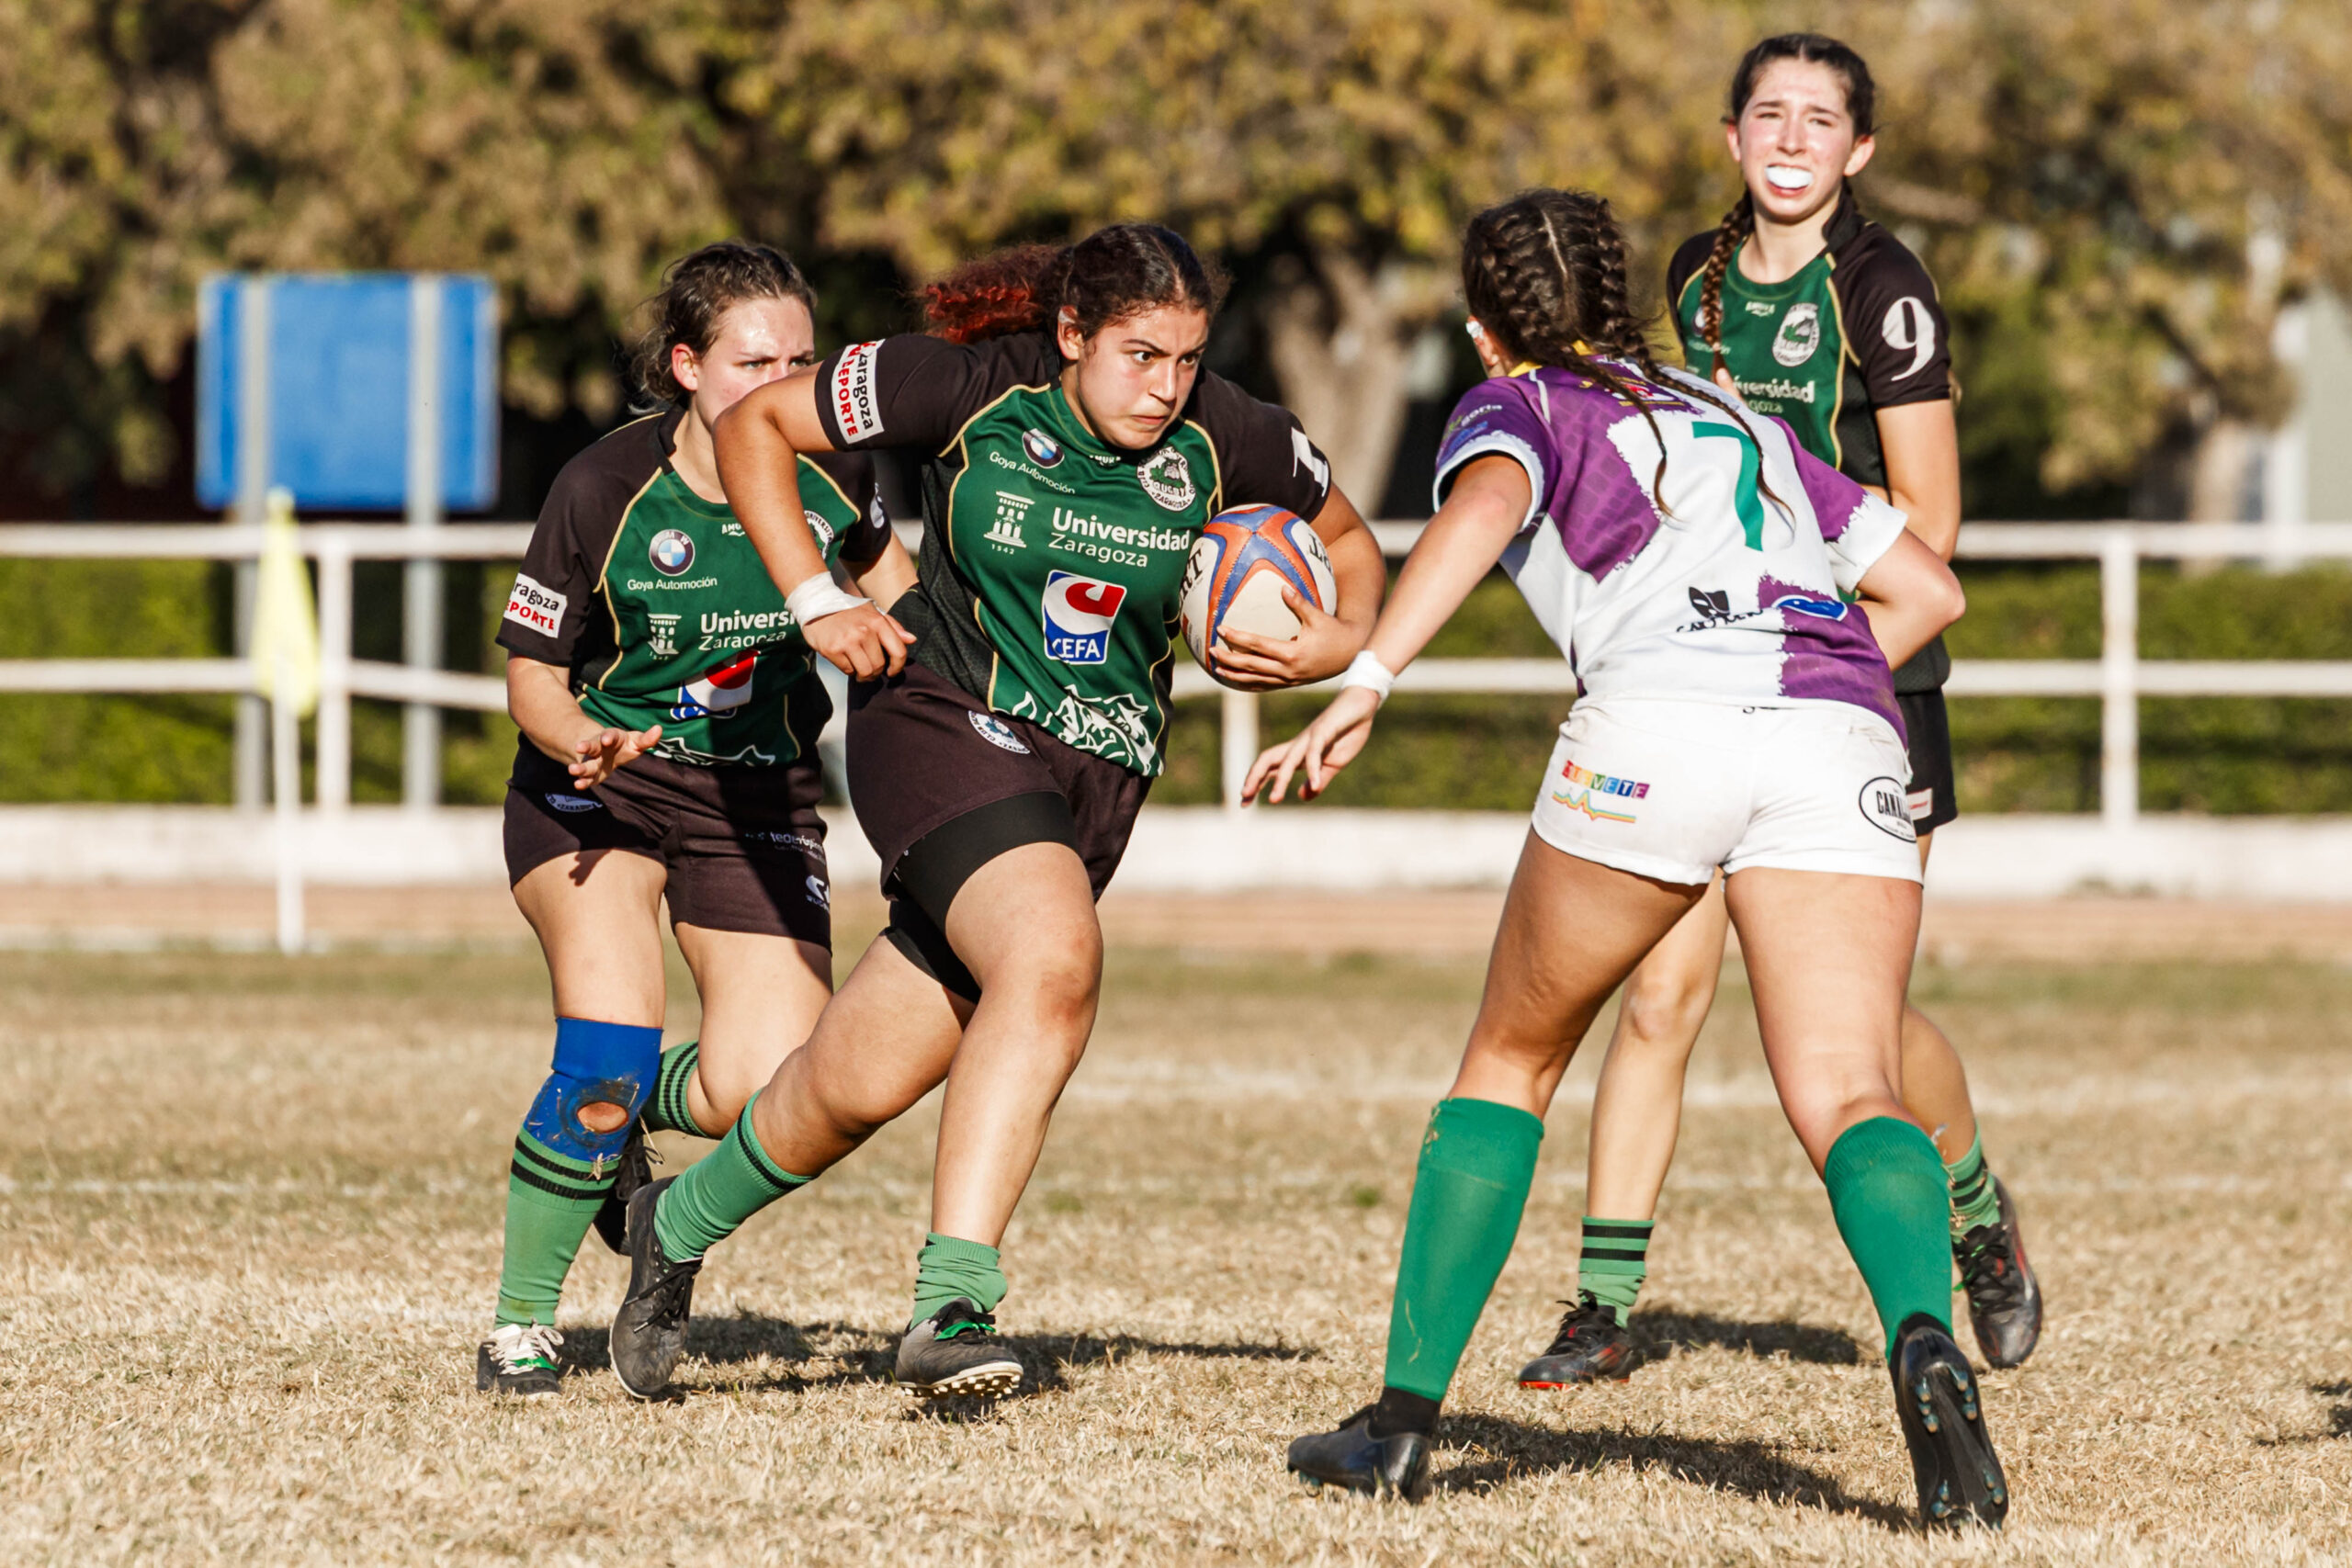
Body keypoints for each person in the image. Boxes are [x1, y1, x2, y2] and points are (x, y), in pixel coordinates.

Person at [1258, 189, 2006, 1529]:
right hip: (1837, 727)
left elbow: (1486, 511)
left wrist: (1367, 674)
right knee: (1849, 1083)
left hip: (1655, 729)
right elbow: (1929, 592)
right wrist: (1796, 679)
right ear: (1628, 299)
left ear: (1487, 330)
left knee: (1513, 1058)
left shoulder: (1522, 403)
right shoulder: (1746, 416)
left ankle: (1401, 1425)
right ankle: (1919, 1332)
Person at [602, 223, 1385, 1401]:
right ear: (1071, 335)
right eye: (1137, 356)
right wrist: (814, 598)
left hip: (1094, 782)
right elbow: (757, 422)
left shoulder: (1227, 430)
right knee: (1056, 957)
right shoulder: (963, 386)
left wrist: (1328, 643)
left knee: (853, 1084)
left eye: (1185, 358)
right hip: (938, 720)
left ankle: (676, 1220)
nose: (1165, 387)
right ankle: (951, 1303)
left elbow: (1351, 547)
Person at [1524, 32, 2041, 1391]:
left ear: (1859, 151)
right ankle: (1605, 1298)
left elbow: (1933, 523)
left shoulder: (1885, 287)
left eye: (1824, 119)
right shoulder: (1690, 280)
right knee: (1662, 987)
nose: (1795, 137)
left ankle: (1974, 1205)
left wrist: (1812, 638)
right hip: (1709, 678)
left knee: (1851, 1023)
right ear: (1732, 134)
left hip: (1867, 677)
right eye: (1771, 113)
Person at [475, 241, 913, 1396]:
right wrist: (577, 734)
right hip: (596, 787)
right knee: (605, 1049)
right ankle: (521, 1323)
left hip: (756, 800)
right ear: (686, 365)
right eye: (752, 359)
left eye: (803, 358)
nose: (783, 380)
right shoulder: (602, 488)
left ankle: (623, 1134)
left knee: (783, 1079)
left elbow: (900, 597)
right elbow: (529, 673)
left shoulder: (840, 472)